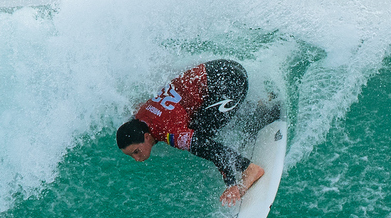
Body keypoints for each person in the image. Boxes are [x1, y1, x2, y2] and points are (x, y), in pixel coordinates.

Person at [117, 59, 278, 206]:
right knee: (195, 125)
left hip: (232, 82)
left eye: (136, 151)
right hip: (221, 68)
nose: (137, 159)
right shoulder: (141, 115)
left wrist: (231, 184)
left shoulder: (170, 132)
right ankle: (258, 106)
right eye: (132, 155)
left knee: (202, 136)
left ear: (146, 136)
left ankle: (249, 168)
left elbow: (210, 149)